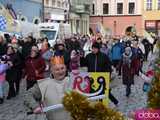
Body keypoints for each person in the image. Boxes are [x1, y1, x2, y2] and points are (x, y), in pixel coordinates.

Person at [24, 56, 71, 120]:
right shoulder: (43, 84)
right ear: (51, 71)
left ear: (66, 69)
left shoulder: (73, 80)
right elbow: (28, 95)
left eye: (62, 68)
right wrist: (35, 107)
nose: (60, 71)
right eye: (57, 69)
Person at [81, 42, 119, 106]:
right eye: (93, 48)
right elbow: (83, 64)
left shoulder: (104, 56)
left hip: (102, 78)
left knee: (104, 92)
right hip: (92, 78)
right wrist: (81, 58)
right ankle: (94, 104)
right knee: (92, 91)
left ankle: (111, 102)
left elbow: (108, 66)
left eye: (95, 48)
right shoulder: (89, 56)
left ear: (98, 49)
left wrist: (108, 75)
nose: (94, 50)